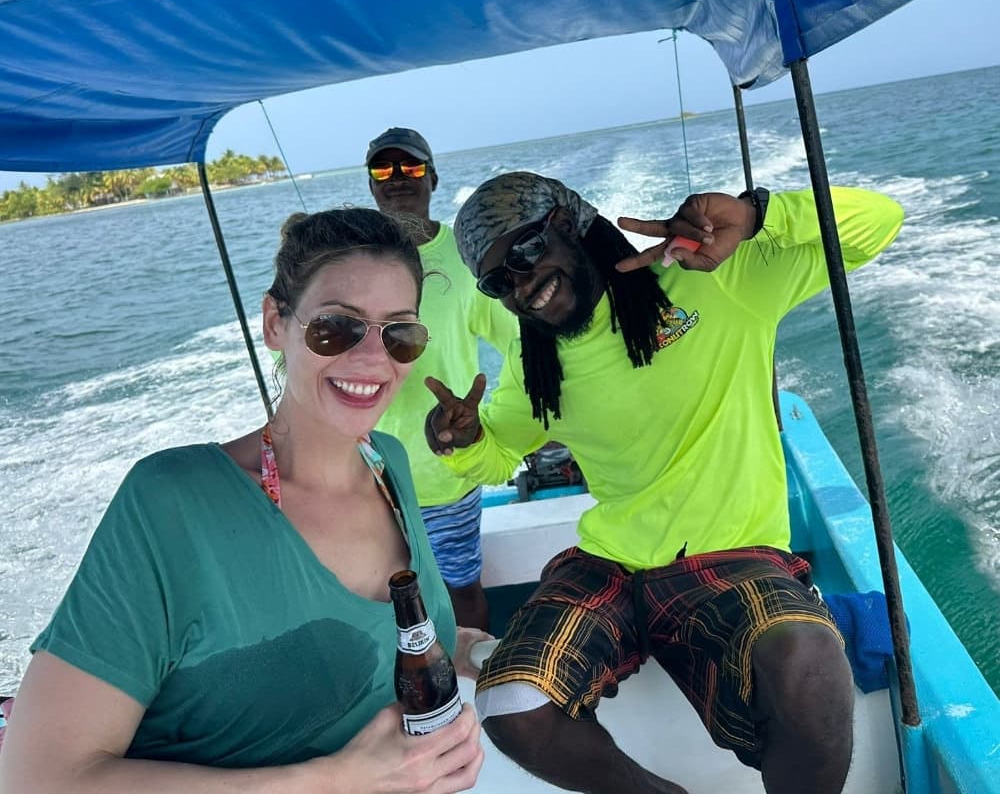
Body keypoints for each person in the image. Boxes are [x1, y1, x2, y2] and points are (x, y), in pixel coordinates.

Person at [422, 172, 904, 794]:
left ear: (569, 225)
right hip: (610, 565)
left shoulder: (715, 279)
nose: (519, 285)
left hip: (735, 555)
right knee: (512, 702)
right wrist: (464, 444)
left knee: (810, 661)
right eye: (497, 281)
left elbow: (879, 221)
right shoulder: (534, 361)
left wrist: (760, 214)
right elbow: (498, 454)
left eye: (524, 252)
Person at [0, 208, 485, 793]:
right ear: (276, 323)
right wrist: (336, 779)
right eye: (337, 326)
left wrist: (471, 646)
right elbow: (37, 778)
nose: (372, 358)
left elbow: (382, 633)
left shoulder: (389, 465)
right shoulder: (173, 503)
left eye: (400, 333)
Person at [365, 127, 516, 631]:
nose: (397, 179)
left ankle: (480, 699)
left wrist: (493, 423)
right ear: (371, 185)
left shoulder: (465, 256)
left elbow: (516, 340)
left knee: (462, 590)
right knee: (381, 598)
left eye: (409, 167)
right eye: (382, 170)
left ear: (432, 176)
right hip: (367, 475)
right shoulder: (355, 256)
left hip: (446, 471)